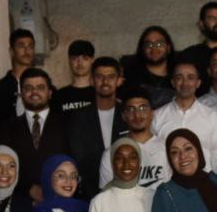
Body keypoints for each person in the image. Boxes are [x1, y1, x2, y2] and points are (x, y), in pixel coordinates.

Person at [0, 67, 75, 203]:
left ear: (50, 93)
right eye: (28, 88)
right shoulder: (7, 128)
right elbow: (3, 166)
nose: (34, 92)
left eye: (40, 87)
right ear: (21, 94)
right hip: (21, 202)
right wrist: (28, 189)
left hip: (61, 199)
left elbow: (75, 161)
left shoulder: (68, 124)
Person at [153, 61, 217, 177]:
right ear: (173, 82)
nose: (185, 83)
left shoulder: (213, 117)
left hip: (204, 185)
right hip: (167, 184)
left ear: (198, 83)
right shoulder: (157, 117)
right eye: (179, 78)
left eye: (190, 77)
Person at [96, 87, 172, 190]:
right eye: (131, 109)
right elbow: (106, 194)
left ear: (152, 113)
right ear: (124, 116)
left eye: (143, 108)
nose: (137, 115)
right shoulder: (111, 154)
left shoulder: (167, 148)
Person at [69, 57, 126, 189]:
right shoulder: (78, 117)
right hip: (89, 190)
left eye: (111, 77)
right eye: (99, 77)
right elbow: (78, 158)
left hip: (125, 187)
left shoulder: (128, 114)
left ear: (119, 81)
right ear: (91, 81)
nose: (105, 82)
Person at [123, 25, 177, 108]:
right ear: (142, 49)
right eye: (149, 45)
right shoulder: (130, 76)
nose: (154, 49)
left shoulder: (179, 76)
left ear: (168, 48)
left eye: (159, 44)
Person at [0, 29, 36, 123]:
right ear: (11, 51)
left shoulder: (44, 85)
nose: (27, 50)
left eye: (30, 46)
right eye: (21, 46)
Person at [53, 39, 96, 115]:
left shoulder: (99, 94)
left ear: (92, 60)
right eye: (75, 58)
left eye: (85, 58)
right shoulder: (59, 96)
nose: (80, 63)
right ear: (69, 61)